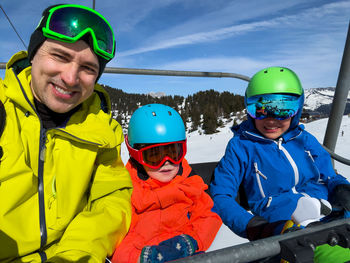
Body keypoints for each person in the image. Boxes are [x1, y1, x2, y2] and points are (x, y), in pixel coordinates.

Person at [0, 4, 133, 262]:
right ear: (33, 54)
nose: (71, 78)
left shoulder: (101, 129)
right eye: (60, 56)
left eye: (88, 68)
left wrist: (76, 255)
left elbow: (112, 198)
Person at [210, 67, 350, 262]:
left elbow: (329, 176)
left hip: (334, 216)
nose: (271, 119)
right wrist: (255, 226)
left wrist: (342, 189)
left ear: (297, 109)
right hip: (289, 230)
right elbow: (220, 196)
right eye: (260, 109)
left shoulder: (304, 139)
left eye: (282, 110)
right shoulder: (241, 146)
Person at [112, 104, 222, 263]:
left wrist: (192, 241)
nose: (167, 163)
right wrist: (142, 258)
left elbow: (208, 214)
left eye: (173, 153)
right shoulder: (127, 190)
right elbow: (115, 241)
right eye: (154, 155)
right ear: (135, 155)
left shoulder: (188, 180)